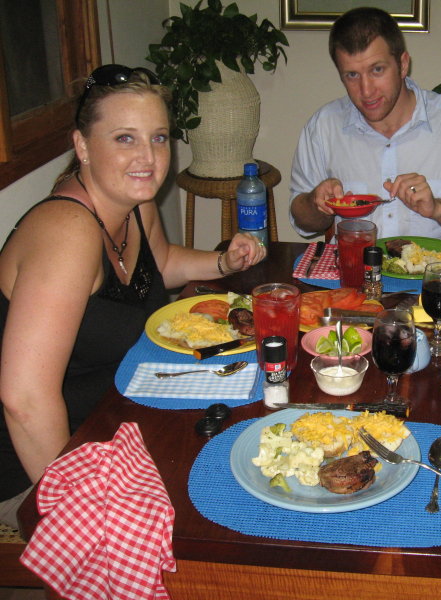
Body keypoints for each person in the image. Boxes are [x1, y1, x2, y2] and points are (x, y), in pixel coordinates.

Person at [0, 64, 266, 528]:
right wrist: (78, 510)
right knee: (206, 515)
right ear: (81, 146)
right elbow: (25, 400)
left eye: (158, 138)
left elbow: (158, 265)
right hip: (33, 465)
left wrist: (223, 262)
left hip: (114, 413)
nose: (148, 157)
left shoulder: (134, 201)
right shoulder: (66, 231)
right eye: (125, 138)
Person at [288, 7, 441, 248]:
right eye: (352, 75)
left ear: (403, 64)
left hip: (434, 280)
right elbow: (301, 218)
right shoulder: (323, 126)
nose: (366, 91)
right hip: (352, 279)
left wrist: (438, 208)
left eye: (377, 70)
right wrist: (316, 202)